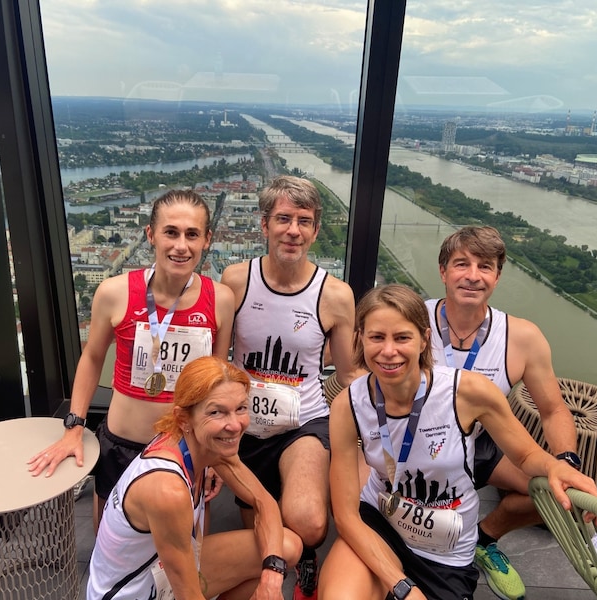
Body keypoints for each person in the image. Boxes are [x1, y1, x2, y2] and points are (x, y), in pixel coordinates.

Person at [319, 284, 597, 600]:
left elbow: (524, 455)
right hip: (380, 523)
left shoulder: (468, 392)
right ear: (360, 339)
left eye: (402, 337)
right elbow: (345, 514)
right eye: (376, 337)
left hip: (446, 549)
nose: (388, 351)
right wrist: (403, 587)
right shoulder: (348, 405)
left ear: (424, 339)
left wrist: (555, 466)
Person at [28, 189, 234, 528]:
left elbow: (217, 382)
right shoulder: (114, 292)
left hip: (186, 449)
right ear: (151, 235)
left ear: (207, 240)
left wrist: (212, 453)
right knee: (111, 552)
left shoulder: (221, 300)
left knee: (184, 558)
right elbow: (92, 359)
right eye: (171, 232)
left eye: (192, 234)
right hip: (122, 445)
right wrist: (73, 427)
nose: (180, 246)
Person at [221, 175, 357, 600]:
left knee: (310, 523)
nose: (293, 231)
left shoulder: (335, 295)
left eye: (304, 221)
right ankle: (283, 563)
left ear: (316, 230)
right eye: (283, 219)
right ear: (264, 225)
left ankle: (306, 557)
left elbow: (349, 374)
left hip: (304, 422)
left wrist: (367, 439)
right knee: (266, 540)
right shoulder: (237, 280)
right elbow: (216, 359)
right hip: (243, 425)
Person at [426, 225, 578, 600]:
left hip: (480, 447)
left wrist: (566, 462)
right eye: (462, 264)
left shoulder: (522, 337)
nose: (473, 275)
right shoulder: (410, 319)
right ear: (443, 271)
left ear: (497, 276)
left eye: (485, 266)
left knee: (559, 499)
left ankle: (484, 537)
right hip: (414, 447)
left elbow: (553, 409)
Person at [87, 355, 302, 600]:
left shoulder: (206, 444)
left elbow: (265, 503)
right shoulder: (167, 490)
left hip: (157, 571)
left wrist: (271, 576)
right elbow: (187, 595)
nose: (234, 425)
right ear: (183, 419)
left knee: (284, 549)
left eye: (240, 408)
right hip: (133, 592)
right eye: (217, 412)